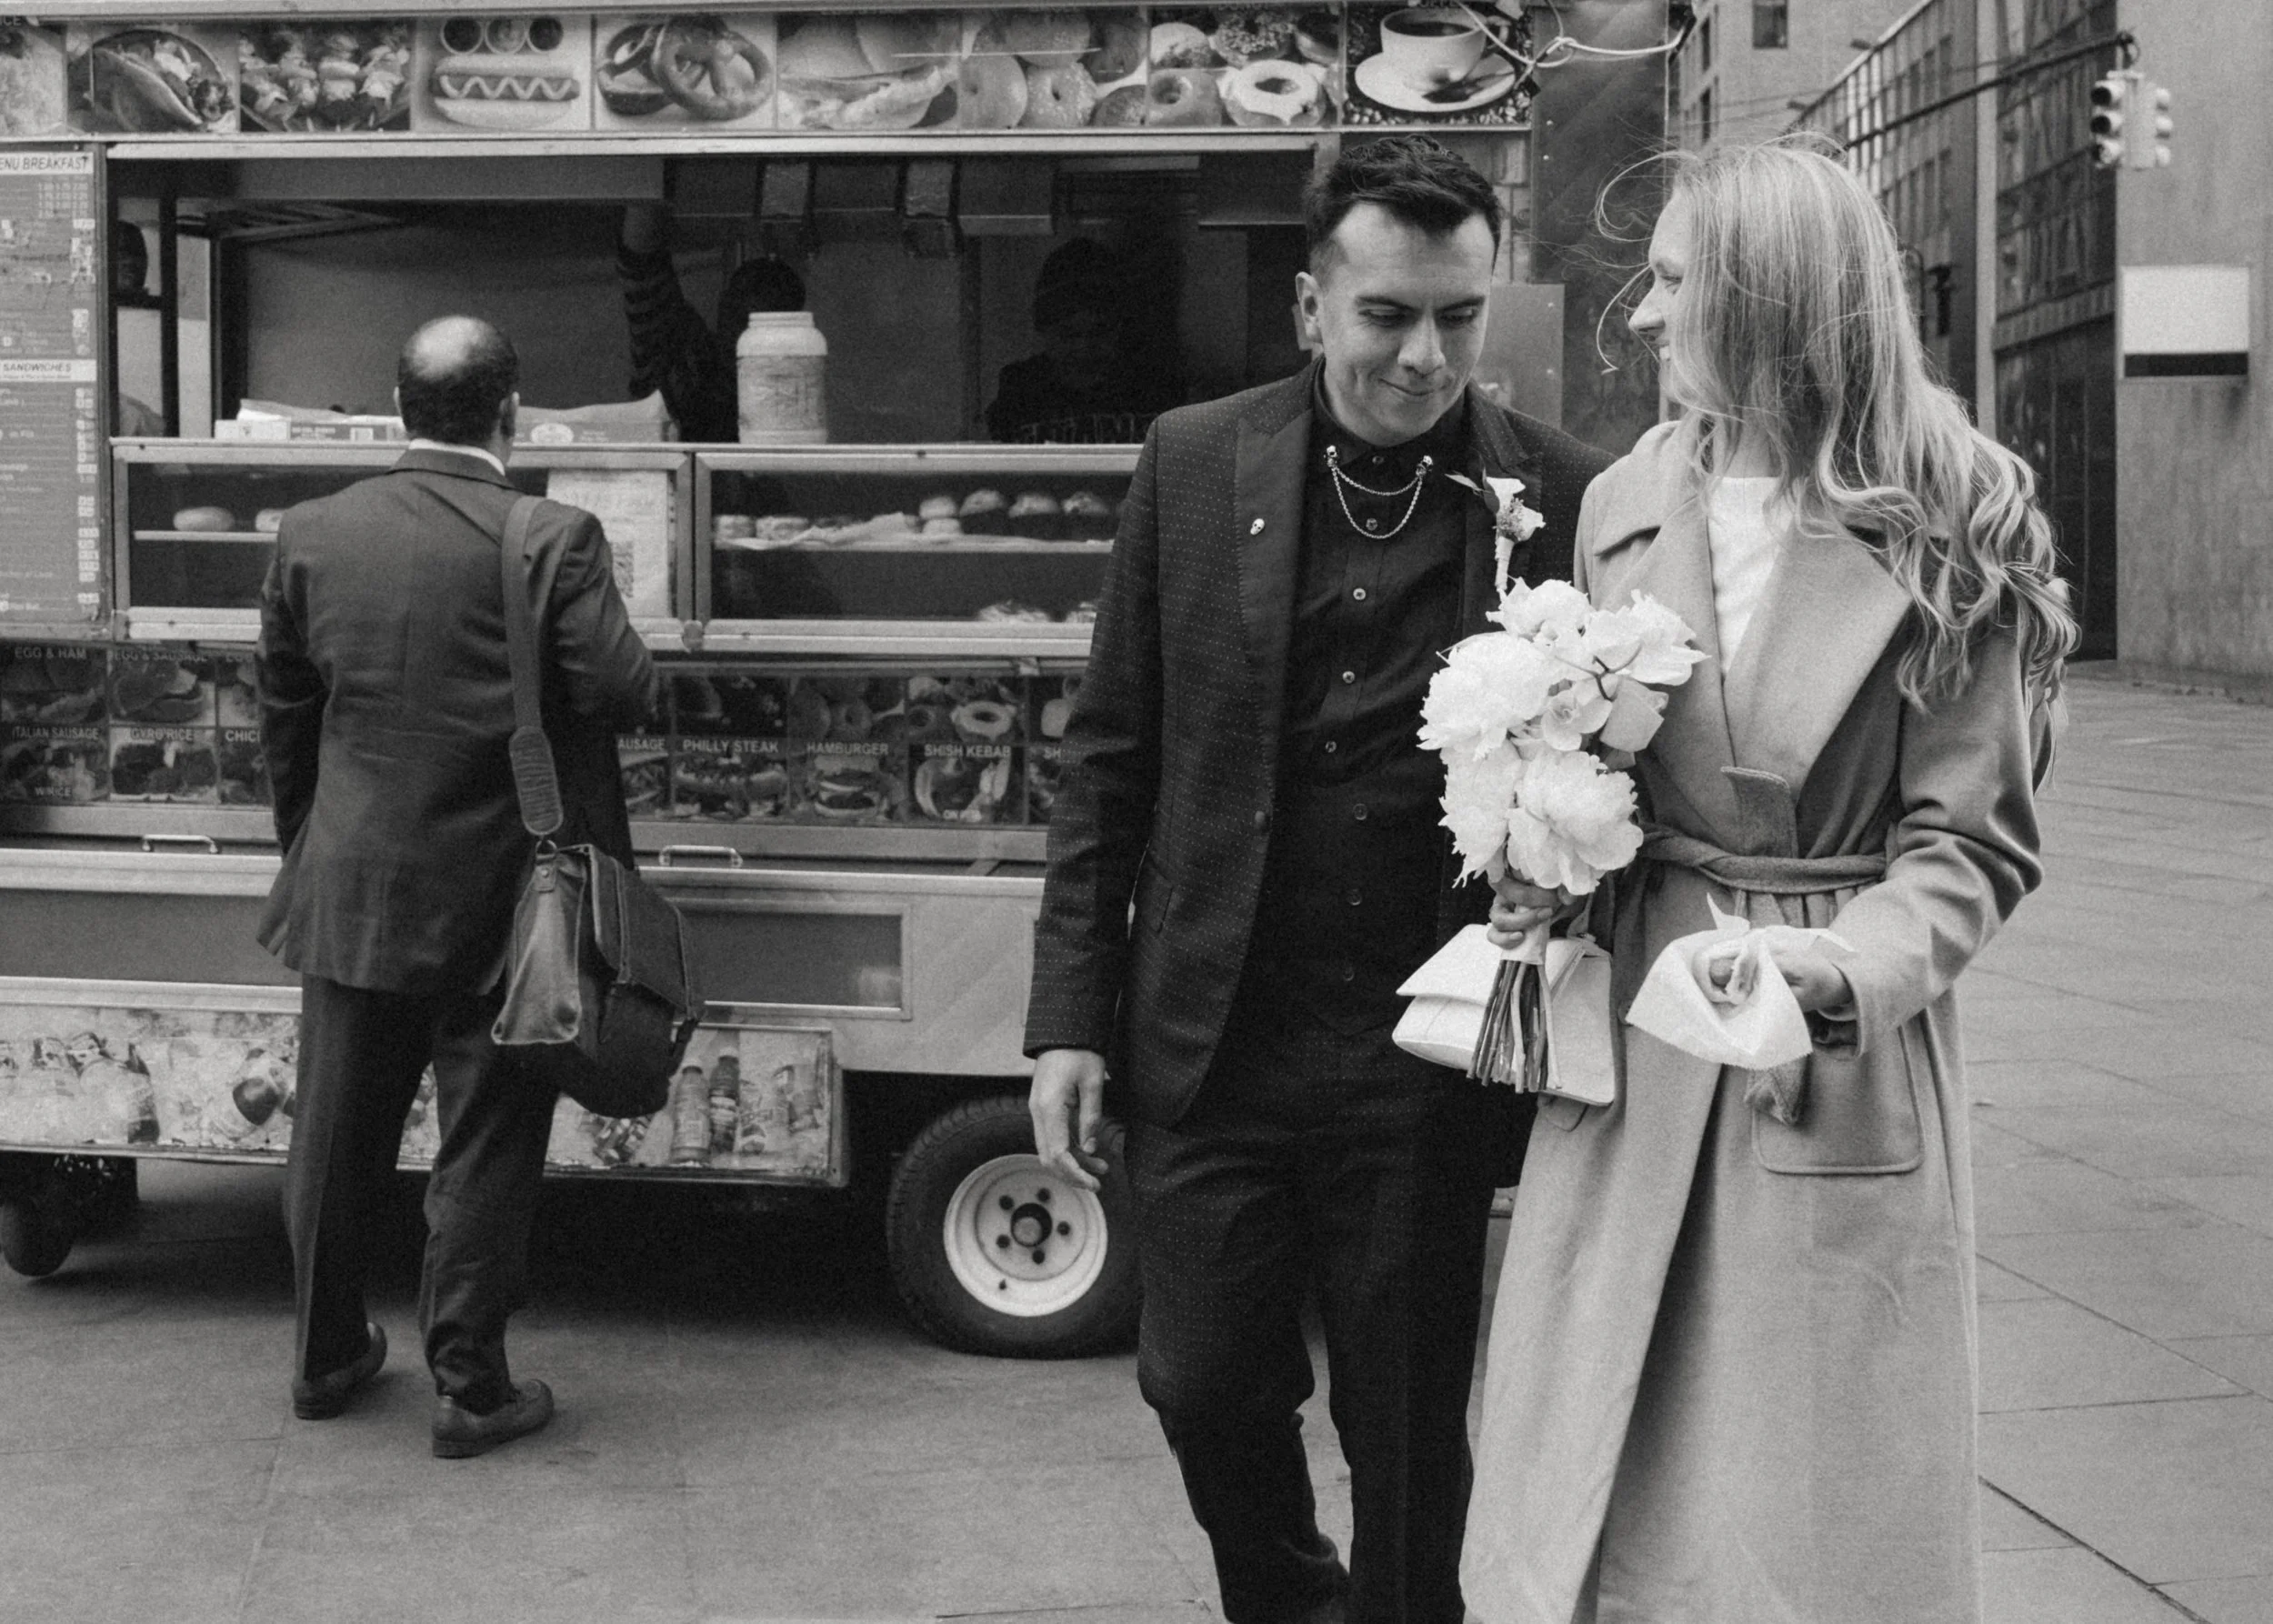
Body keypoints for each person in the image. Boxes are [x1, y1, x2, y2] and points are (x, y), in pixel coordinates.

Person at [1461, 140, 2078, 1624]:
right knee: (1604, 1472)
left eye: (1675, 282)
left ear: (1765, 298)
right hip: (1640, 1035)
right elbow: (1603, 763)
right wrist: (1538, 837)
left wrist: (1832, 973)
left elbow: (1970, 846)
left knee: (1809, 1502)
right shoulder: (1622, 497)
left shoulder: (1950, 516)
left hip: (1825, 1045)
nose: (1645, 316)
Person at [1024, 135, 1612, 1624]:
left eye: (1458, 320)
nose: (1425, 356)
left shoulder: (1556, 492)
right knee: (1201, 1378)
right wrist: (1070, 1016)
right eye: (1387, 316)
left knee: (1410, 1428)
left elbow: (1622, 764)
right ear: (1309, 306)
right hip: (1220, 1033)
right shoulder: (1195, 460)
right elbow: (1111, 754)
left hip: (1426, 1052)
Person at [256, 316, 657, 1458]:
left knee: (333, 1136)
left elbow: (287, 716)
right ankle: (469, 1389)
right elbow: (624, 690)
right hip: (506, 901)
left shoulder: (311, 531)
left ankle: (324, 1357)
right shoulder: (553, 535)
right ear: (510, 412)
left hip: (351, 884)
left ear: (397, 409)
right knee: (484, 1138)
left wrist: (314, 845)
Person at [618, 202, 806, 444]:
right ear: (724, 303)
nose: (747, 323)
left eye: (765, 312)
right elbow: (640, 267)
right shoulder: (680, 351)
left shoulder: (791, 390)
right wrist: (645, 181)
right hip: (662, 475)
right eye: (740, 306)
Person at [984, 237, 1183, 445]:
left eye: (1099, 332)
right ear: (1044, 330)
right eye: (1068, 334)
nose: (1084, 347)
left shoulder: (1155, 389)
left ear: (1120, 328)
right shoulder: (1021, 390)